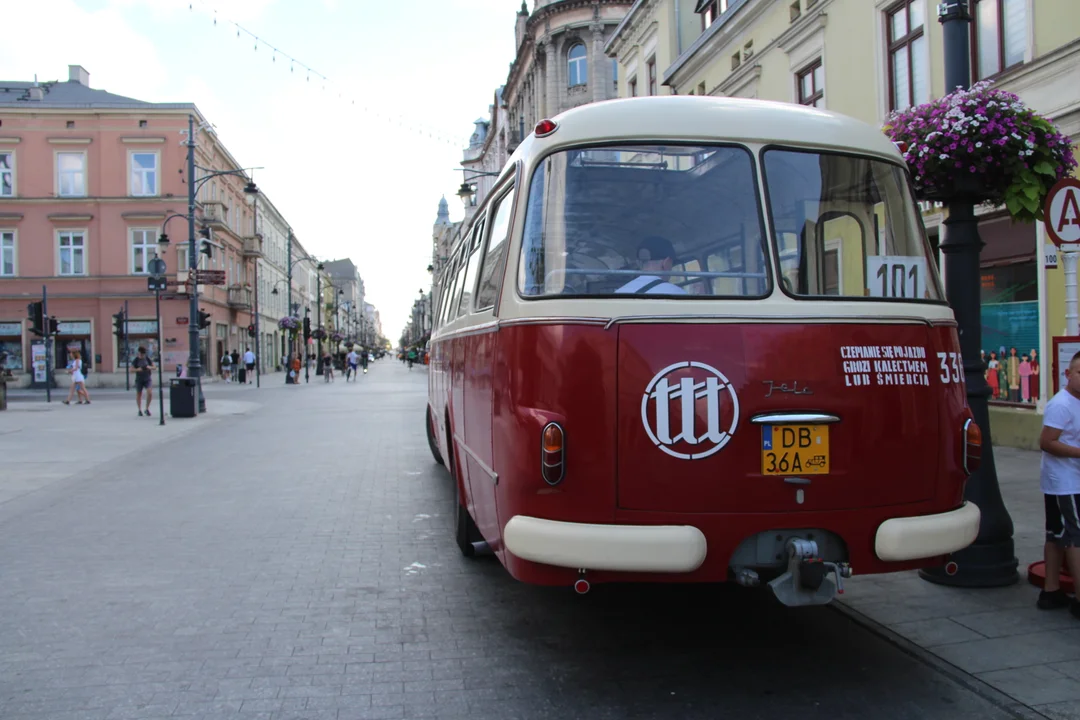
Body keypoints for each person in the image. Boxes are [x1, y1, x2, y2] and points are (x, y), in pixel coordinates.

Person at [1037, 349, 1080, 615]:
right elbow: (1046, 442)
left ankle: (1051, 591)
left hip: (1063, 481)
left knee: (1056, 535)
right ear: (1068, 374)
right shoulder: (1061, 404)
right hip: (1066, 482)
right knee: (1076, 538)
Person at [616, 236, 687, 295]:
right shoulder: (677, 293)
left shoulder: (619, 293)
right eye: (672, 264)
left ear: (639, 264)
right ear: (666, 263)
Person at [132, 346, 155, 417]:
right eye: (140, 354)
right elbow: (131, 370)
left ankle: (147, 408)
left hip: (147, 378)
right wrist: (137, 369)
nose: (141, 355)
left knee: (150, 393)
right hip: (139, 379)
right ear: (138, 353)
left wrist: (149, 367)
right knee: (139, 393)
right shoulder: (136, 360)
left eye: (142, 354)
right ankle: (139, 410)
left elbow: (154, 367)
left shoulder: (148, 359)